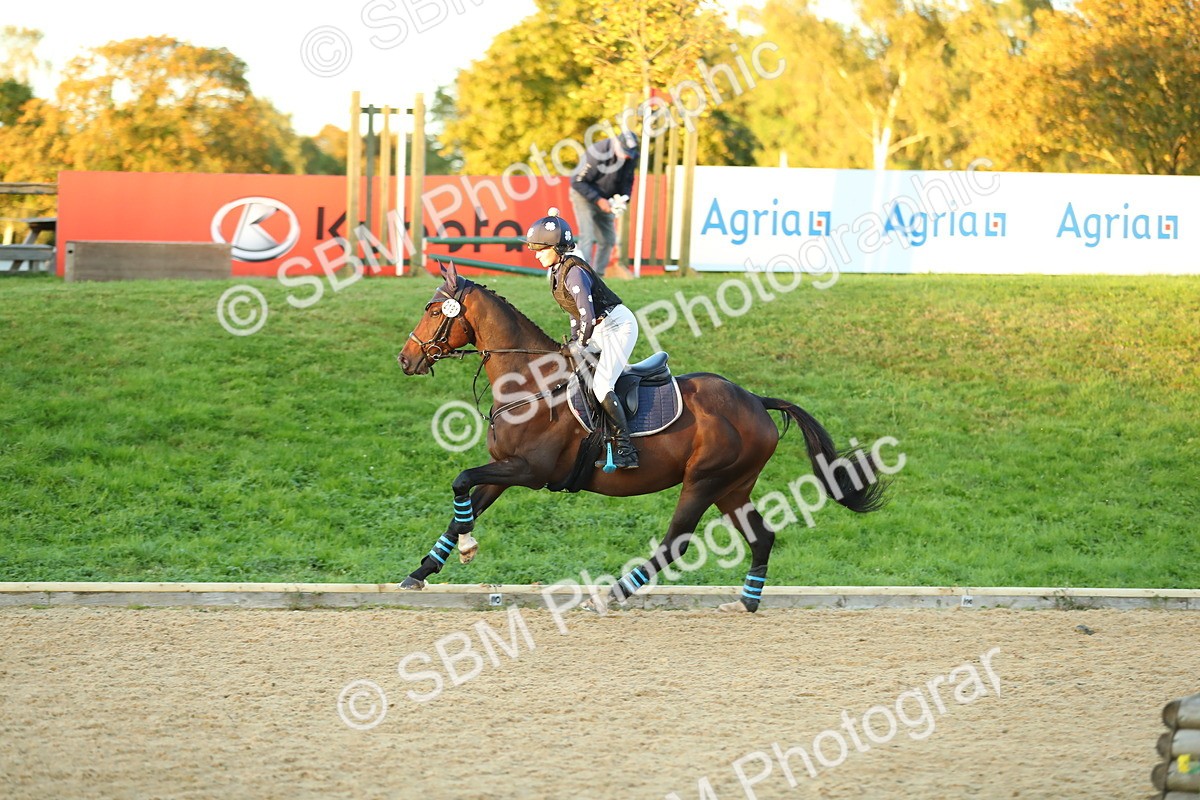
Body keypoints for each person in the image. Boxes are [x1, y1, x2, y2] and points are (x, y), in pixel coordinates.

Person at [525, 208, 640, 470]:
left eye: (541, 249)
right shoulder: (558, 271)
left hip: (618, 327)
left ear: (557, 248)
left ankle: (626, 449)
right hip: (601, 329)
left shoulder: (573, 271)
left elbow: (587, 315)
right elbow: (576, 315)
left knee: (601, 385)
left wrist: (580, 342)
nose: (536, 254)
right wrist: (576, 341)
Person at [569, 130, 639, 278]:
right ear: (616, 144)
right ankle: (581, 276)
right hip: (584, 196)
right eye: (625, 152)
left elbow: (628, 180)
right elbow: (576, 181)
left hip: (606, 199)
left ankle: (597, 277)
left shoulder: (630, 156)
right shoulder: (596, 153)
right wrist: (598, 200)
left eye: (630, 154)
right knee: (587, 236)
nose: (627, 156)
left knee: (608, 239)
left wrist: (624, 199)